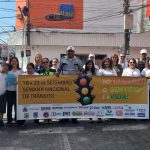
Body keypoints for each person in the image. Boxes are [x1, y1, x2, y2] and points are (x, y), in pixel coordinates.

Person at [56, 46, 83, 123]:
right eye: (69, 51)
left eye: (72, 51)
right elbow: (58, 69)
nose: (70, 52)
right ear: (66, 52)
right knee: (65, 100)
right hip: (65, 84)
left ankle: (74, 117)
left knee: (74, 100)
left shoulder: (78, 60)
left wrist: (80, 73)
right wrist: (57, 72)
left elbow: (82, 70)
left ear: (74, 52)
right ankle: (65, 117)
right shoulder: (62, 59)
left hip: (75, 83)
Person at [6, 57, 23, 125]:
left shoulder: (20, 71)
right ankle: (9, 120)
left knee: (17, 106)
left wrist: (18, 82)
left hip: (17, 91)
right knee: (9, 106)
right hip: (9, 90)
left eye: (15, 61)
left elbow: (23, 80)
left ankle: (16, 119)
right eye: (12, 61)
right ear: (10, 62)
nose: (14, 62)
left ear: (17, 62)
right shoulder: (8, 71)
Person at [0, 63, 9, 127]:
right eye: (4, 68)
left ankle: (1, 120)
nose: (5, 69)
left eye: (7, 69)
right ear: (1, 66)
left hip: (3, 94)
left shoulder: (7, 75)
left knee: (2, 109)